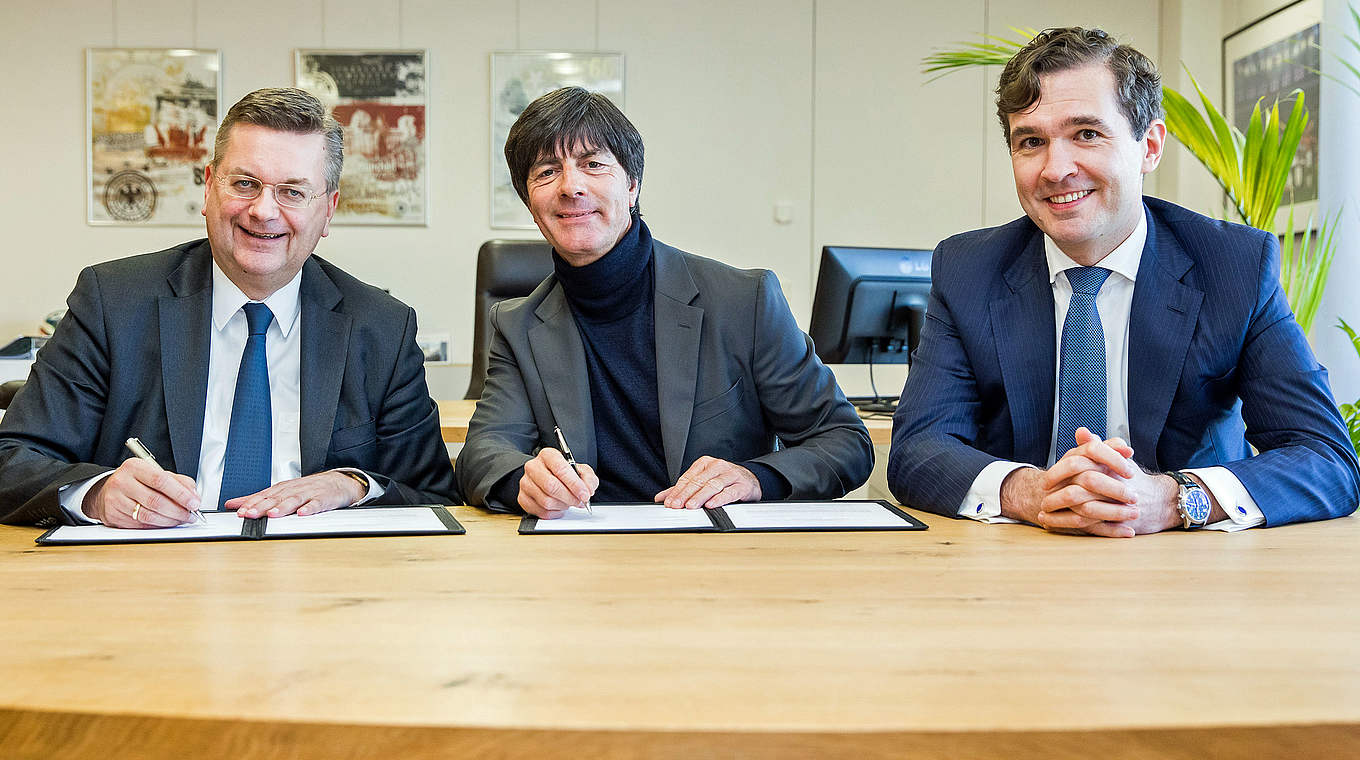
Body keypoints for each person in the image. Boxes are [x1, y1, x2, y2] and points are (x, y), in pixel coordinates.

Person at [888, 28, 1358, 536]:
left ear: (1149, 147)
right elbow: (918, 450)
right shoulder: (968, 269)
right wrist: (1029, 492)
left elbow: (1325, 457)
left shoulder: (1234, 266)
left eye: (1086, 134)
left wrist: (1174, 499)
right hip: (1019, 560)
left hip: (1188, 572)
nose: (1056, 168)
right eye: (1031, 142)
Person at [0, 87, 456, 528]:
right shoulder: (113, 302)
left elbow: (433, 495)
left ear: (329, 209)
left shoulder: (381, 327)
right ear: (209, 187)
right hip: (149, 575)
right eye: (244, 183)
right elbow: (13, 460)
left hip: (320, 579)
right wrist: (96, 494)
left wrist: (356, 485)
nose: (263, 210)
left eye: (293, 192)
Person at [457, 87, 871, 518]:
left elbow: (844, 440)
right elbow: (483, 453)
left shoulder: (742, 301)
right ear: (530, 202)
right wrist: (523, 481)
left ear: (632, 185)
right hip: (578, 554)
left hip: (714, 553)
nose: (571, 187)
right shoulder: (517, 324)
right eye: (546, 172)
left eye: (593, 164)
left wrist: (754, 479)